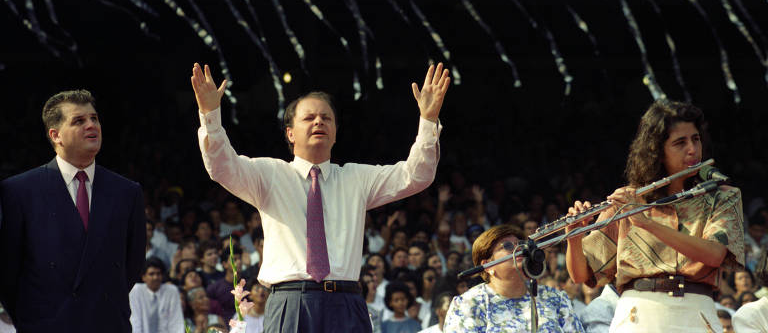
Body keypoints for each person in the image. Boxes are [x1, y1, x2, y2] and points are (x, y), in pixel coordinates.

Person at [191, 62, 450, 333]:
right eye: (309, 117)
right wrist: (210, 114)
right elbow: (221, 166)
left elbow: (416, 175)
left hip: (347, 302)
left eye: (326, 118)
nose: (319, 122)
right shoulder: (269, 175)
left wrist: (428, 120)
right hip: (290, 301)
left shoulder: (356, 178)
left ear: (335, 133)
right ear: (290, 133)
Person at [565, 100, 745, 332]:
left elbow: (714, 254)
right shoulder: (628, 200)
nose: (692, 149)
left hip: (696, 314)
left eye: (696, 139)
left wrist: (646, 223)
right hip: (637, 315)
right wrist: (573, 237)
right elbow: (580, 275)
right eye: (680, 143)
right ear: (657, 152)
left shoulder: (722, 195)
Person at [0, 89, 145, 332]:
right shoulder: (17, 191)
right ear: (55, 135)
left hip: (108, 323)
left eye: (94, 118)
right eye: (79, 121)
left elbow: (131, 265)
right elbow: (7, 273)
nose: (91, 125)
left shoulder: (127, 192)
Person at [443, 224, 584, 332]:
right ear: (488, 266)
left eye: (520, 245)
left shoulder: (555, 298)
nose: (519, 249)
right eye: (508, 246)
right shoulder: (468, 304)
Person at [129, 257, 185, 333]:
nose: (155, 277)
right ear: (143, 277)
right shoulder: (136, 291)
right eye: (151, 274)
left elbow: (176, 321)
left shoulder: (171, 291)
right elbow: (135, 321)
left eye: (158, 274)